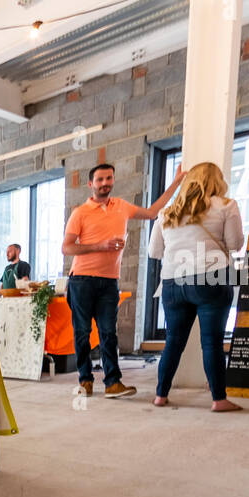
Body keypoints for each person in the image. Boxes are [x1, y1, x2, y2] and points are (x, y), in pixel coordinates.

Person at [62, 162, 186, 398]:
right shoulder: (80, 212)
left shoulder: (122, 207)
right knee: (82, 333)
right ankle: (85, 380)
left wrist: (177, 182)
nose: (105, 183)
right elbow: (67, 248)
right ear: (91, 184)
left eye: (109, 178)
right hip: (82, 281)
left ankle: (112, 383)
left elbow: (152, 213)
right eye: (100, 180)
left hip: (110, 282)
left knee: (109, 332)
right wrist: (100, 245)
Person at [147, 162, 245, 412]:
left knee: (173, 342)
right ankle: (218, 400)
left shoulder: (167, 213)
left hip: (173, 279)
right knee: (212, 342)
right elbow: (234, 244)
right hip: (210, 276)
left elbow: (154, 251)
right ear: (216, 182)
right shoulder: (226, 205)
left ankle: (160, 395)